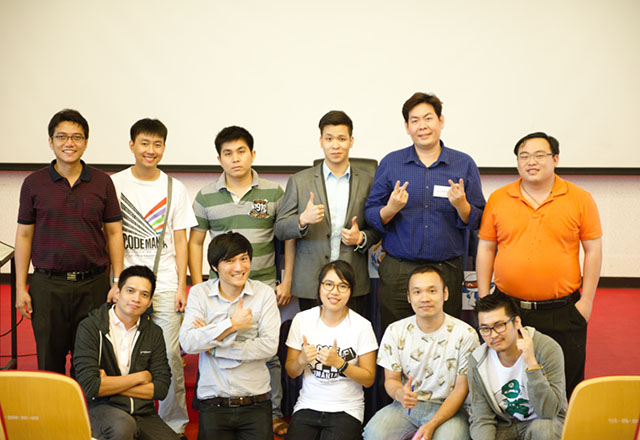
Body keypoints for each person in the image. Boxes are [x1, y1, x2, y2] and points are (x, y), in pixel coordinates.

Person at [476, 132, 602, 397]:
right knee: (508, 382)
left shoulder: (580, 198)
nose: (530, 161)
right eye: (523, 156)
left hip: (563, 309)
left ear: (555, 159)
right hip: (508, 308)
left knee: (565, 382)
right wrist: (485, 297)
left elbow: (593, 250)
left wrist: (586, 302)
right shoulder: (499, 198)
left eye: (539, 155)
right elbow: (486, 248)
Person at [188, 125, 293, 436]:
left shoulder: (273, 192)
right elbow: (196, 242)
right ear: (219, 159)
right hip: (220, 290)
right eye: (228, 153)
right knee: (218, 337)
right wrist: (198, 285)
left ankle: (273, 413)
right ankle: (214, 407)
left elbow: (287, 237)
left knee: (269, 354)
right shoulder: (206, 196)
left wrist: (286, 280)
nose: (235, 159)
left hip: (265, 286)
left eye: (241, 151)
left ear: (253, 154)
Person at [15, 108, 124, 374]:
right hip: (48, 287)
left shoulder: (102, 182)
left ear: (86, 142)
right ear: (50, 141)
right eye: (62, 137)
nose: (69, 143)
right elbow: (24, 235)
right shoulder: (33, 184)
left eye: (77, 137)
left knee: (90, 362)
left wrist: (117, 281)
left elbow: (114, 233)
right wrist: (19, 287)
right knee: (48, 362)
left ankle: (86, 404)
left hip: (93, 285)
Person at [364, 92, 485, 329]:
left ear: (441, 121)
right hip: (399, 270)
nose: (422, 126)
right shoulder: (391, 163)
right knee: (396, 337)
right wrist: (390, 209)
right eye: (415, 120)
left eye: (428, 118)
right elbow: (370, 212)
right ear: (407, 127)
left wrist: (462, 206)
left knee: (445, 338)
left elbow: (479, 218)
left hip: (446, 270)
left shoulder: (464, 164)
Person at [111, 118, 197, 436]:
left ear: (164, 147)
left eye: (157, 144)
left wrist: (182, 286)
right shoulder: (114, 184)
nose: (151, 150)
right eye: (144, 143)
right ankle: (123, 418)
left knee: (171, 356)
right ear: (131, 145)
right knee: (122, 353)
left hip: (165, 284)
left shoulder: (175, 188)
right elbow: (110, 235)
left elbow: (180, 240)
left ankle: (174, 423)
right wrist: (114, 282)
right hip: (126, 285)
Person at [274, 110, 381, 317]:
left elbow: (377, 229)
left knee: (351, 336)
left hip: (352, 281)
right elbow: (280, 229)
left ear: (351, 141)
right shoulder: (299, 181)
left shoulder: (368, 181)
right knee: (312, 336)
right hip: (310, 282)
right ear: (321, 141)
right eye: (329, 139)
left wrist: (361, 238)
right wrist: (302, 220)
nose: (335, 145)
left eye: (342, 139)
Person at [180, 231, 280, 440]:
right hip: (214, 403)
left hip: (256, 402)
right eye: (230, 261)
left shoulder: (264, 294)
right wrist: (231, 325)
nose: (239, 267)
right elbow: (188, 342)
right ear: (214, 266)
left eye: (244, 259)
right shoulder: (200, 293)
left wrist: (214, 346)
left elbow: (269, 346)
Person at [363, 265, 479, 440]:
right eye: (417, 292)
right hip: (407, 407)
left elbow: (461, 389)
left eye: (432, 291)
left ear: (445, 293)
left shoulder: (465, 334)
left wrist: (432, 424)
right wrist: (400, 393)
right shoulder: (395, 331)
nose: (425, 298)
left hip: (450, 409)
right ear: (409, 297)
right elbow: (391, 380)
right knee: (374, 434)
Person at [74, 265, 179, 440]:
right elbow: (90, 386)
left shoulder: (153, 332)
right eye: (130, 291)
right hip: (101, 409)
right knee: (123, 427)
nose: (136, 299)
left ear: (150, 302)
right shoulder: (90, 327)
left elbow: (161, 388)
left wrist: (108, 385)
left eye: (144, 294)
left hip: (143, 412)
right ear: (117, 293)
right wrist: (141, 377)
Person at [285, 260, 378, 439]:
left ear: (350, 291)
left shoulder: (362, 326)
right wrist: (301, 360)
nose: (334, 292)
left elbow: (368, 379)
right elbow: (291, 371)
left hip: (347, 409)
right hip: (308, 405)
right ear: (319, 287)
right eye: (328, 284)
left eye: (342, 286)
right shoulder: (302, 320)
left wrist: (341, 364)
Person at [468, 292, 567, 440]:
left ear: (517, 322)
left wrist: (532, 364)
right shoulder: (477, 360)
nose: (493, 335)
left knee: (546, 429)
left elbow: (548, 412)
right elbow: (482, 418)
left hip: (540, 422)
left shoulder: (547, 348)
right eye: (485, 329)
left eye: (499, 325)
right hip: (504, 427)